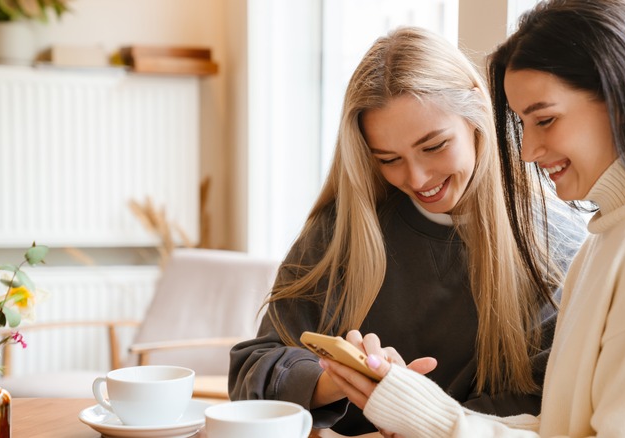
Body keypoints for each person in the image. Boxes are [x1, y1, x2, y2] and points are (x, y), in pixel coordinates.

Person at [320, 0, 625, 436]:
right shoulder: (611, 237)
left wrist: (437, 420)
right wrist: (419, 409)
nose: (527, 152)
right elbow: (567, 428)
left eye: (545, 120)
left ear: (622, 98)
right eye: (522, 124)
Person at [228, 27, 584, 436]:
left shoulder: (552, 244)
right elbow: (251, 376)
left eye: (434, 146)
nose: (416, 178)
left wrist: (416, 413)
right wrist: (338, 379)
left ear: (476, 118)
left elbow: (544, 400)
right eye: (388, 158)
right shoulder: (344, 231)